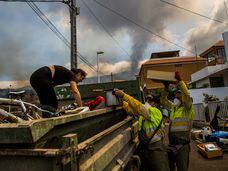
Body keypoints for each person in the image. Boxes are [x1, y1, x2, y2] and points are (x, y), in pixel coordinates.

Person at [114, 89, 169, 171]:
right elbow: (131, 110)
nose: (147, 102)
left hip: (156, 149)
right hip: (147, 148)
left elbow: (139, 107)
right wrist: (122, 102)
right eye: (147, 100)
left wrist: (124, 96)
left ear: (154, 103)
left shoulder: (155, 112)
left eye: (149, 101)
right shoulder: (144, 115)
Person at [161, 72, 195, 171]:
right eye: (176, 94)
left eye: (179, 94)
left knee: (182, 168)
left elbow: (187, 95)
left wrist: (180, 82)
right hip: (172, 144)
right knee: (170, 167)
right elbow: (163, 101)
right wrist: (166, 88)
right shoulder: (173, 108)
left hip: (183, 146)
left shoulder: (188, 108)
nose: (177, 95)